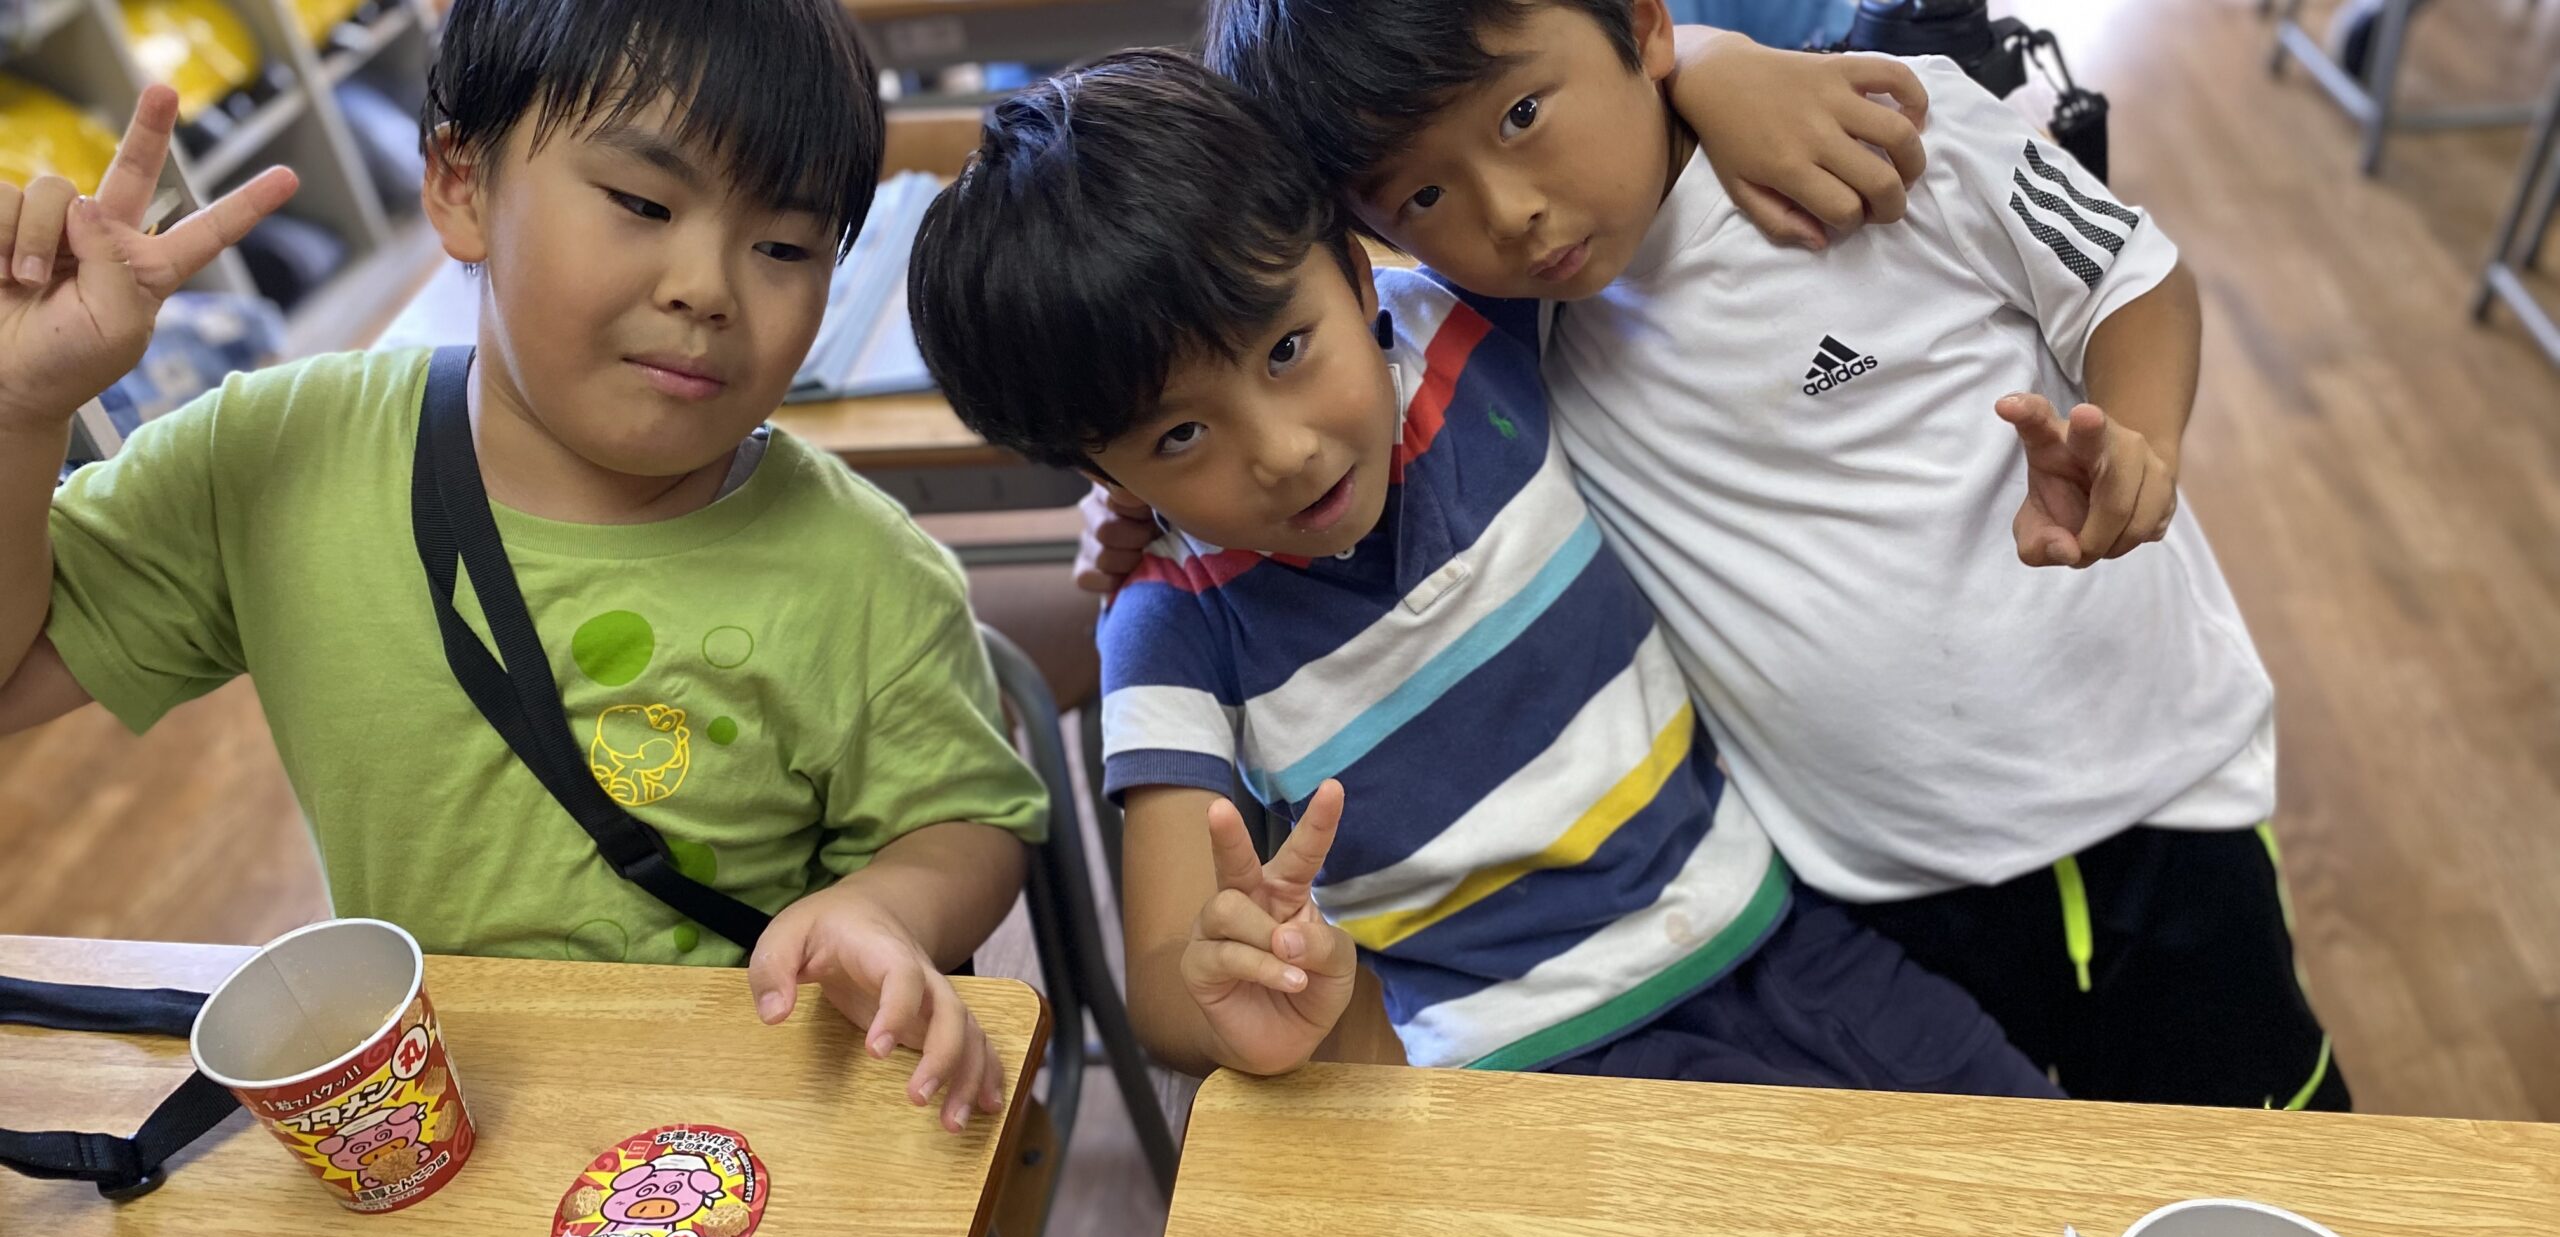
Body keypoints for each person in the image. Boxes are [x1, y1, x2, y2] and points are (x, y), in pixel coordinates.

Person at [1190, 0, 2345, 1110]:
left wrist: (2137, 437)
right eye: (1424, 194)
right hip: (1874, 879)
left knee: (2255, 1161)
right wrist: (1144, 503)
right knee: (2021, 1191)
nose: (1510, 213)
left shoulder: (1888, 135)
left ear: (1641, 22)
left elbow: (2132, 276)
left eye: (1522, 116)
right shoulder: (1490, 334)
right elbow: (1288, 375)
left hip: (2157, 793)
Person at [912, 50, 2056, 1098]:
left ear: (1354, 272)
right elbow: (1165, 975)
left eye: (1287, 350)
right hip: (1525, 1068)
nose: (1282, 450)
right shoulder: (1171, 624)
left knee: (2042, 1183)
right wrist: (1237, 980)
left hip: (1783, 929)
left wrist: (1714, 69)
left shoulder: (1460, 327)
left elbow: (1575, 104)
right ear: (1096, 467)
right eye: (1178, 436)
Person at [0, 0, 1046, 1130]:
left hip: (750, 1130)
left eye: (785, 248)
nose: (706, 286)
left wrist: (884, 908)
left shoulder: (867, 570)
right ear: (463, 186)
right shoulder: (275, 456)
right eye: (643, 203)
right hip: (435, 1132)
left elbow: (965, 820)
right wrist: (19, 414)